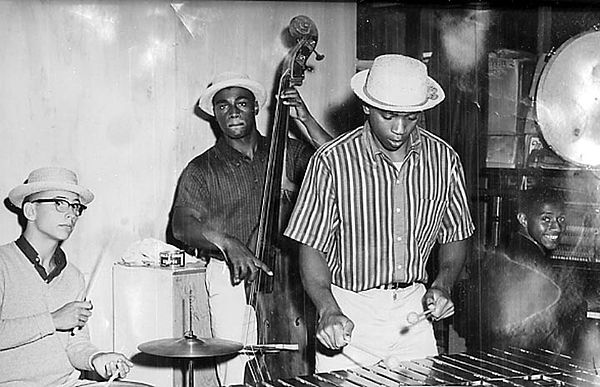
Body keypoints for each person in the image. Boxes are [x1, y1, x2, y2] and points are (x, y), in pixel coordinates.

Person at [284, 54, 475, 372]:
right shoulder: (332, 162)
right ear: (366, 106)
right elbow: (311, 246)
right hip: (350, 314)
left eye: (411, 117)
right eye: (388, 116)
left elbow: (456, 235)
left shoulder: (445, 161)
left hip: (414, 314)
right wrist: (327, 309)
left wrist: (442, 285)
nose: (400, 129)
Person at [171, 71, 332, 386]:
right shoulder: (202, 168)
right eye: (223, 105)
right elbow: (181, 225)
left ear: (256, 108)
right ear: (214, 114)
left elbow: (339, 161)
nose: (232, 111)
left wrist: (305, 118)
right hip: (232, 280)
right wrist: (229, 243)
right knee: (236, 371)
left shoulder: (288, 151)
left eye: (241, 103)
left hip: (289, 277)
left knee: (301, 368)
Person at [0, 166, 132, 386]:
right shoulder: (3, 263)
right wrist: (53, 320)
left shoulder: (73, 276)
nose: (71, 214)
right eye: (59, 203)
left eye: (75, 206)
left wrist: (96, 359)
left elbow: (76, 345)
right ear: (30, 210)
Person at [478, 187, 587, 355]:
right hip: (524, 361)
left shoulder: (515, 248)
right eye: (546, 219)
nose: (556, 227)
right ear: (523, 219)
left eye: (561, 219)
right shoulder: (529, 260)